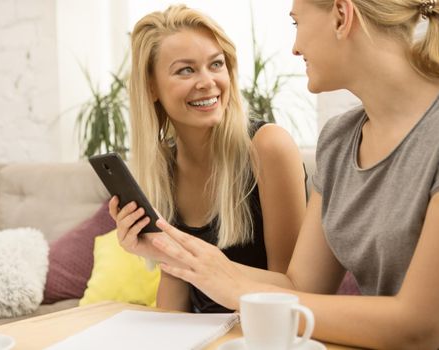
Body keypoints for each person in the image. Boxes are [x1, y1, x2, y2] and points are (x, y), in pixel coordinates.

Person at [139, 0, 439, 348]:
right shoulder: (340, 140)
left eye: (296, 22)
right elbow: (299, 288)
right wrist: (181, 256)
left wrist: (235, 288)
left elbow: (421, 326)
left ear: (342, 16)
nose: (295, 48)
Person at [108, 5, 307, 313]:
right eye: (185, 70)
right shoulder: (162, 167)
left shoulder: (268, 148)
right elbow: (174, 303)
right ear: (152, 87)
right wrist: (168, 257)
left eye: (216, 64)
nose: (207, 81)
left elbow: (297, 289)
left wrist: (202, 264)